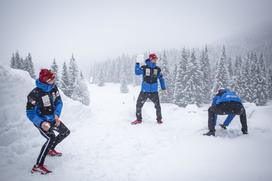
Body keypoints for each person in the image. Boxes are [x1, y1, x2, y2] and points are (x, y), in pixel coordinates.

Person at [26, 69, 70, 174]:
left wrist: (56, 115)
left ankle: (50, 149)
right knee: (51, 137)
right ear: (46, 80)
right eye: (52, 79)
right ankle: (38, 166)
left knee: (65, 132)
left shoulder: (53, 88)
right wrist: (41, 123)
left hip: (52, 118)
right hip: (41, 121)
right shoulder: (34, 94)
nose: (54, 80)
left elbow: (59, 102)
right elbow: (30, 113)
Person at [131, 53, 166, 125]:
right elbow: (137, 72)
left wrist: (163, 88)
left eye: (156, 59)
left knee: (158, 106)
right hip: (144, 91)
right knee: (138, 105)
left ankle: (159, 120)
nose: (155, 60)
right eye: (154, 59)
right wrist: (137, 63)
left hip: (154, 92)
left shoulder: (157, 69)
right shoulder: (144, 68)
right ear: (150, 59)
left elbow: (161, 78)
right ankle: (138, 119)